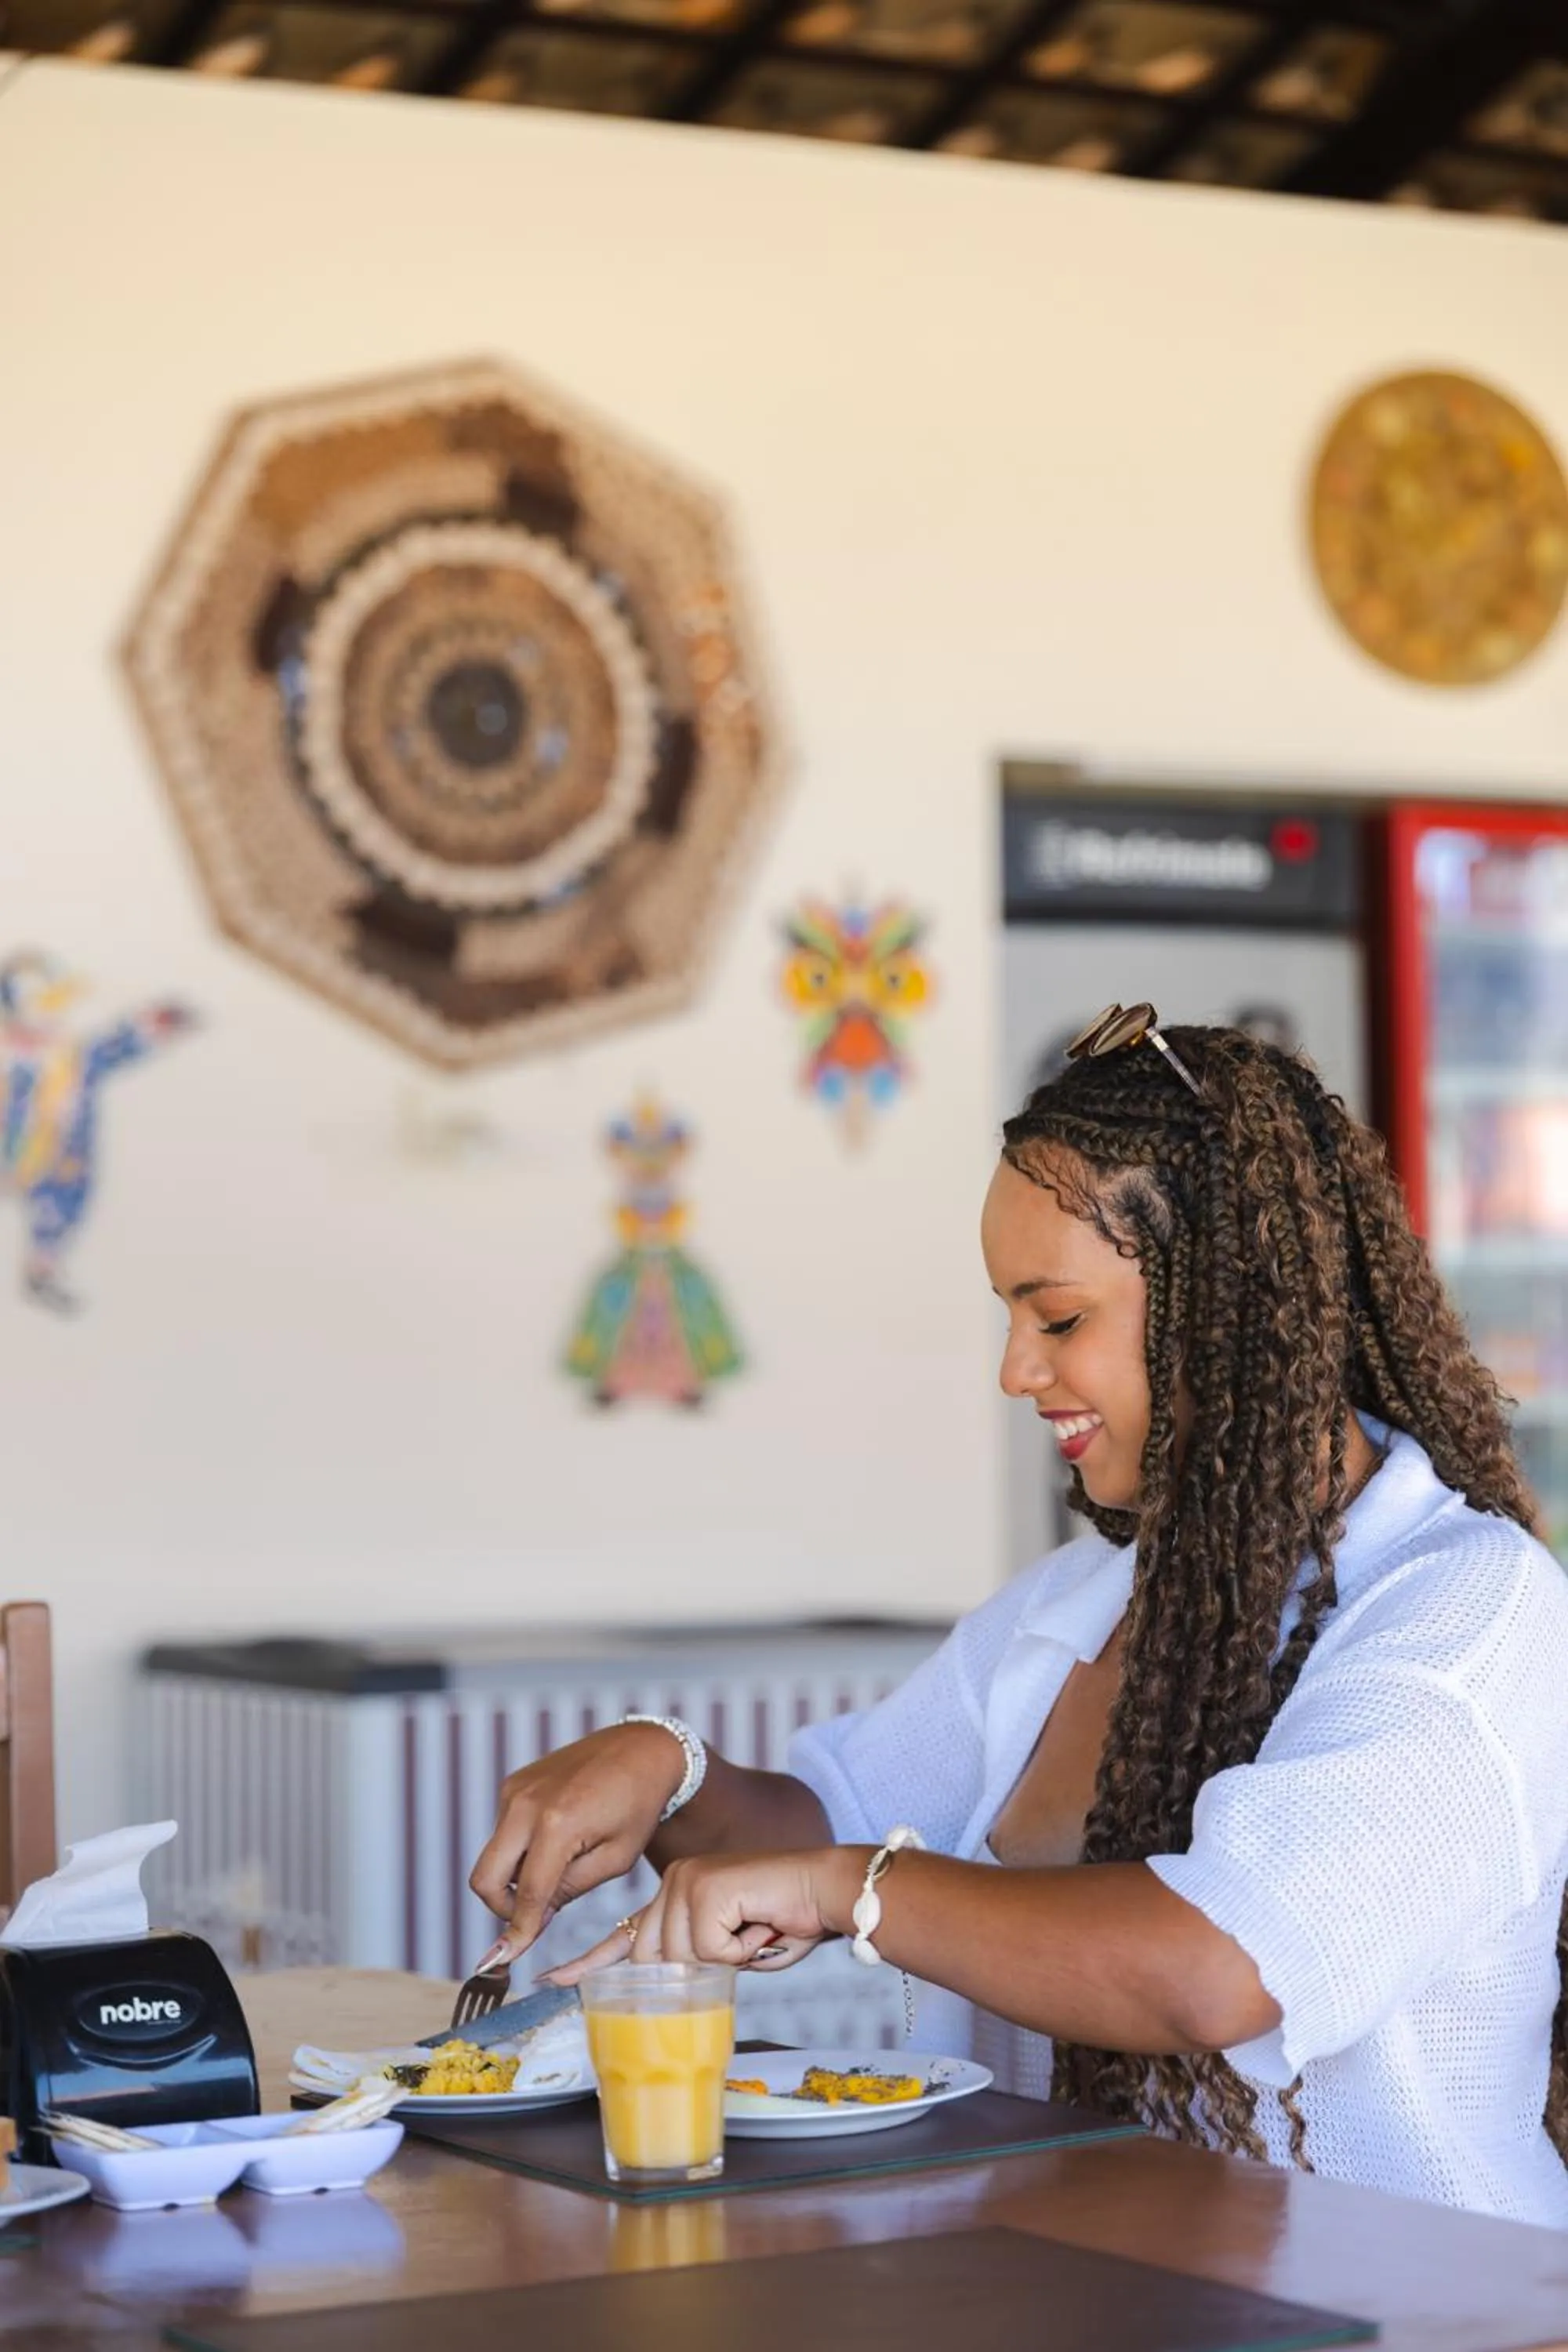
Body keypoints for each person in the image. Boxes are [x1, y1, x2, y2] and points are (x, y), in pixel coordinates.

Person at [470, 1012, 1568, 2225]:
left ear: (1228, 1310)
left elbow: (1219, 1968)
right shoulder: (1078, 1606)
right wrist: (665, 1770)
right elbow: (821, 1821)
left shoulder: (1468, 1609)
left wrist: (854, 1891)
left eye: (1057, 1320)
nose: (1015, 1371)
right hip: (1093, 2295)